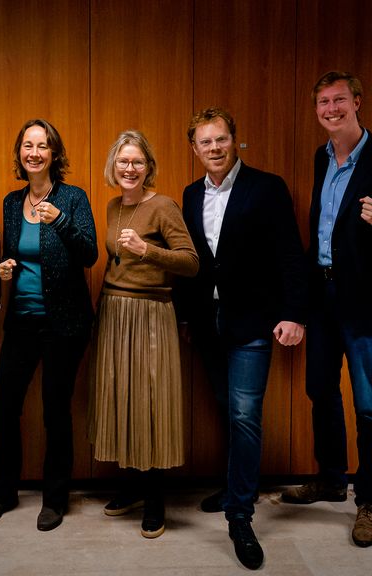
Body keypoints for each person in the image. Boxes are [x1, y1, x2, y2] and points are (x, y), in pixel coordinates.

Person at [181, 108, 307, 569]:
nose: (213, 148)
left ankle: (240, 515)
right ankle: (237, 486)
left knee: (244, 414)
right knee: (225, 409)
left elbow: (291, 255)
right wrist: (188, 319)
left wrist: (294, 313)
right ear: (194, 149)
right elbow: (195, 264)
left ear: (234, 140)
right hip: (209, 324)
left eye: (221, 139)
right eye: (204, 142)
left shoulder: (267, 188)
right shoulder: (191, 195)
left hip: (254, 323)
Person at [0, 119, 97, 531]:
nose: (34, 152)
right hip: (22, 321)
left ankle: (55, 499)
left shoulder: (74, 198)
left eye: (42, 146)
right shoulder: (11, 203)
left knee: (55, 411)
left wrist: (60, 219)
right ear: (20, 154)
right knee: (4, 408)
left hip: (65, 325)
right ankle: (3, 493)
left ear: (53, 154)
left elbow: (89, 255)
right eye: (27, 145)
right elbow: (11, 256)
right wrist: (4, 270)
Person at [88, 130, 199, 539]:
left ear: (148, 166)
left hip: (151, 313)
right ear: (113, 167)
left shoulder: (164, 206)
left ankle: (155, 497)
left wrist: (146, 250)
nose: (129, 168)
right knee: (122, 398)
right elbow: (114, 265)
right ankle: (132, 486)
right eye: (122, 162)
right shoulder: (113, 205)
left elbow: (191, 262)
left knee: (150, 401)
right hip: (115, 311)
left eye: (137, 162)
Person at [281, 71, 372, 548]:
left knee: (370, 405)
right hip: (323, 296)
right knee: (319, 387)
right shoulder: (323, 156)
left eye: (339, 100)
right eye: (322, 102)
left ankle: (370, 500)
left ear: (357, 102)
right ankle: (332, 477)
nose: (330, 109)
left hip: (364, 301)